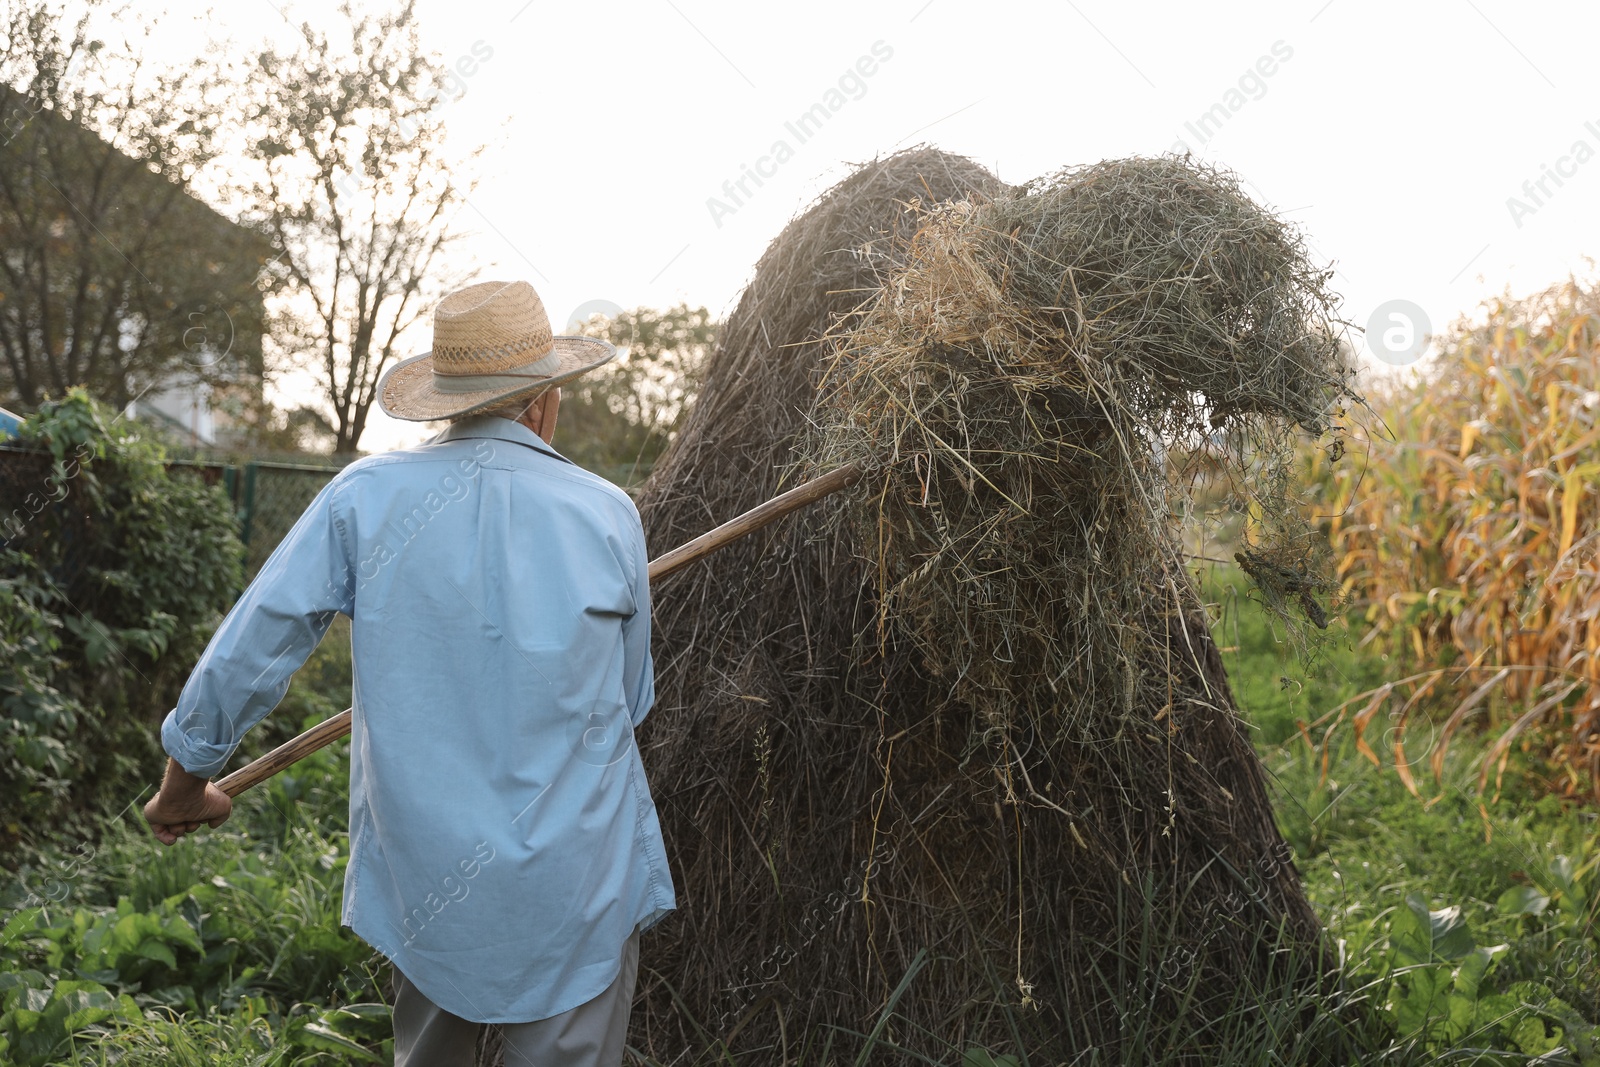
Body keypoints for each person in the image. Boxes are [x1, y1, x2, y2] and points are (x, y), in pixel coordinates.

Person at [141, 279, 676, 1067]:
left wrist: (187, 779)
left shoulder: (363, 498)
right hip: (577, 884)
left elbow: (255, 641)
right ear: (545, 401)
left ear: (447, 399)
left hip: (431, 889)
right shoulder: (606, 515)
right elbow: (629, 702)